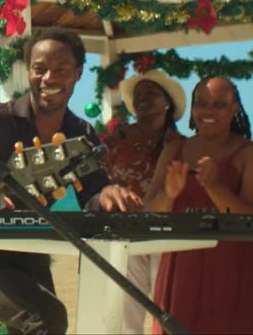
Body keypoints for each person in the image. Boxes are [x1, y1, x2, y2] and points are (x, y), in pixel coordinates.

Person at [0, 27, 132, 335]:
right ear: (28, 72)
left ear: (78, 74)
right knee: (48, 319)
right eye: (40, 69)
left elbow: (92, 195)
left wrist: (106, 195)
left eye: (61, 69)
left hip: (32, 255)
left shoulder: (81, 134)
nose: (49, 78)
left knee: (44, 323)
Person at [143, 75, 253, 334]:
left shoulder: (251, 155)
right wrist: (169, 194)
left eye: (219, 104)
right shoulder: (173, 151)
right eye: (201, 104)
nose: (208, 111)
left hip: (233, 275)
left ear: (234, 108)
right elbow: (149, 216)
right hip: (179, 274)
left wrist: (215, 187)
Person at [99, 68, 186, 333]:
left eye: (151, 93)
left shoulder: (180, 144)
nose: (143, 98)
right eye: (139, 95)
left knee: (168, 308)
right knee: (127, 315)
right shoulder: (116, 141)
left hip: (167, 231)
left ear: (167, 102)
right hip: (125, 230)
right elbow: (98, 181)